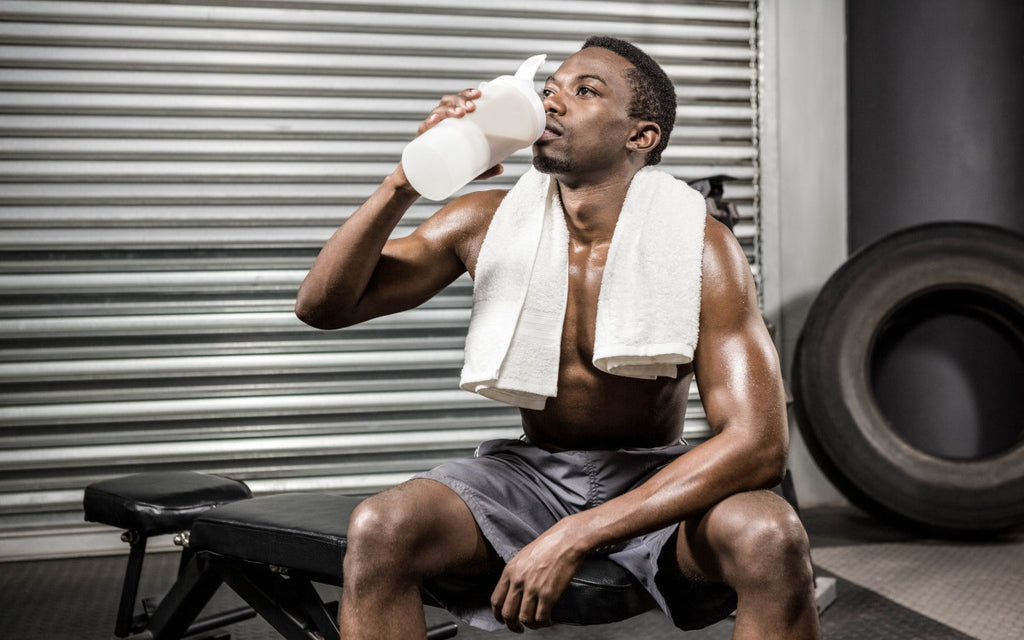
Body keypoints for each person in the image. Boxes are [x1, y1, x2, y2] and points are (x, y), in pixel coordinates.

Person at [295, 36, 820, 640]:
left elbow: (759, 444)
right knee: (381, 527)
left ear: (640, 137)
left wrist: (578, 533)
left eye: (584, 91)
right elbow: (322, 307)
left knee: (771, 536)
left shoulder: (701, 246)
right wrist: (408, 179)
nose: (552, 102)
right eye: (550, 90)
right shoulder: (484, 219)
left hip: (653, 477)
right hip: (528, 475)